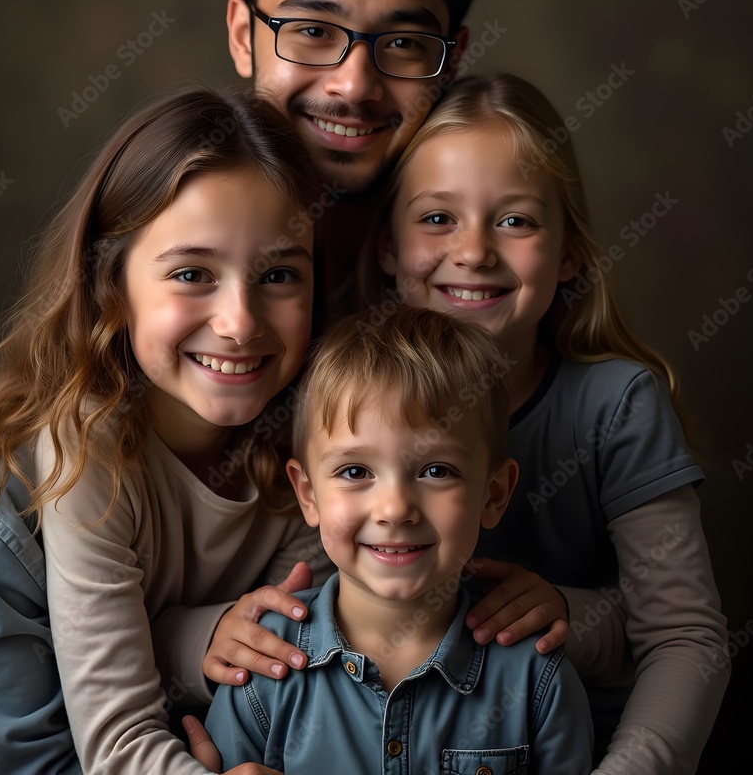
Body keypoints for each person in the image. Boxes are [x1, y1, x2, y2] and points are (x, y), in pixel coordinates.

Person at [0, 88, 334, 775]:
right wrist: (188, 643)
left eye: (279, 275)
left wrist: (183, 640)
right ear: (112, 286)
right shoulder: (0, 501)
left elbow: (288, 684)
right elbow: (30, 761)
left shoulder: (315, 459)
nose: (240, 322)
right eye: (192, 274)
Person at [359, 73, 730, 773]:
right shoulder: (341, 403)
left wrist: (569, 612)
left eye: (516, 220)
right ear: (387, 247)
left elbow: (684, 639)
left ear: (567, 253)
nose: (473, 252)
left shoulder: (617, 406)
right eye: (437, 218)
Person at [204, 306, 594, 774]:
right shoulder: (261, 672)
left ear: (493, 495)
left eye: (435, 471)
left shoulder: (538, 679)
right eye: (355, 471)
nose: (393, 510)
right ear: (308, 494)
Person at [224, 0, 493, 315]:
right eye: (313, 31)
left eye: (405, 43)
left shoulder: (487, 284)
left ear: (451, 62)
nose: (354, 85)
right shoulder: (144, 262)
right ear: (244, 36)